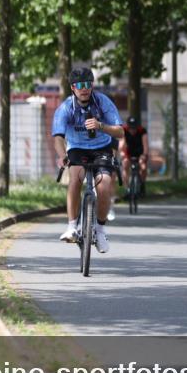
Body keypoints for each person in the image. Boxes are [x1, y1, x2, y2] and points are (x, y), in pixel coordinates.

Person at [52, 67, 124, 252]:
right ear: (73, 88)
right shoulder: (66, 107)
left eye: (87, 85)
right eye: (79, 85)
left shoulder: (102, 102)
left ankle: (100, 230)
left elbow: (120, 131)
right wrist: (62, 156)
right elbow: (58, 137)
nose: (84, 89)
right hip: (77, 147)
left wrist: (101, 126)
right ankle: (72, 226)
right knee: (75, 177)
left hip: (102, 147)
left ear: (92, 86)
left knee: (105, 184)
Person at [119, 116, 149, 196]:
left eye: (134, 128)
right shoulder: (124, 130)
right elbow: (121, 145)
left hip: (140, 153)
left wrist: (144, 155)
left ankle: (142, 184)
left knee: (143, 167)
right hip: (129, 153)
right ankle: (127, 189)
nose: (132, 130)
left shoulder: (142, 131)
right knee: (125, 165)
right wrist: (122, 153)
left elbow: (145, 146)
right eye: (131, 128)